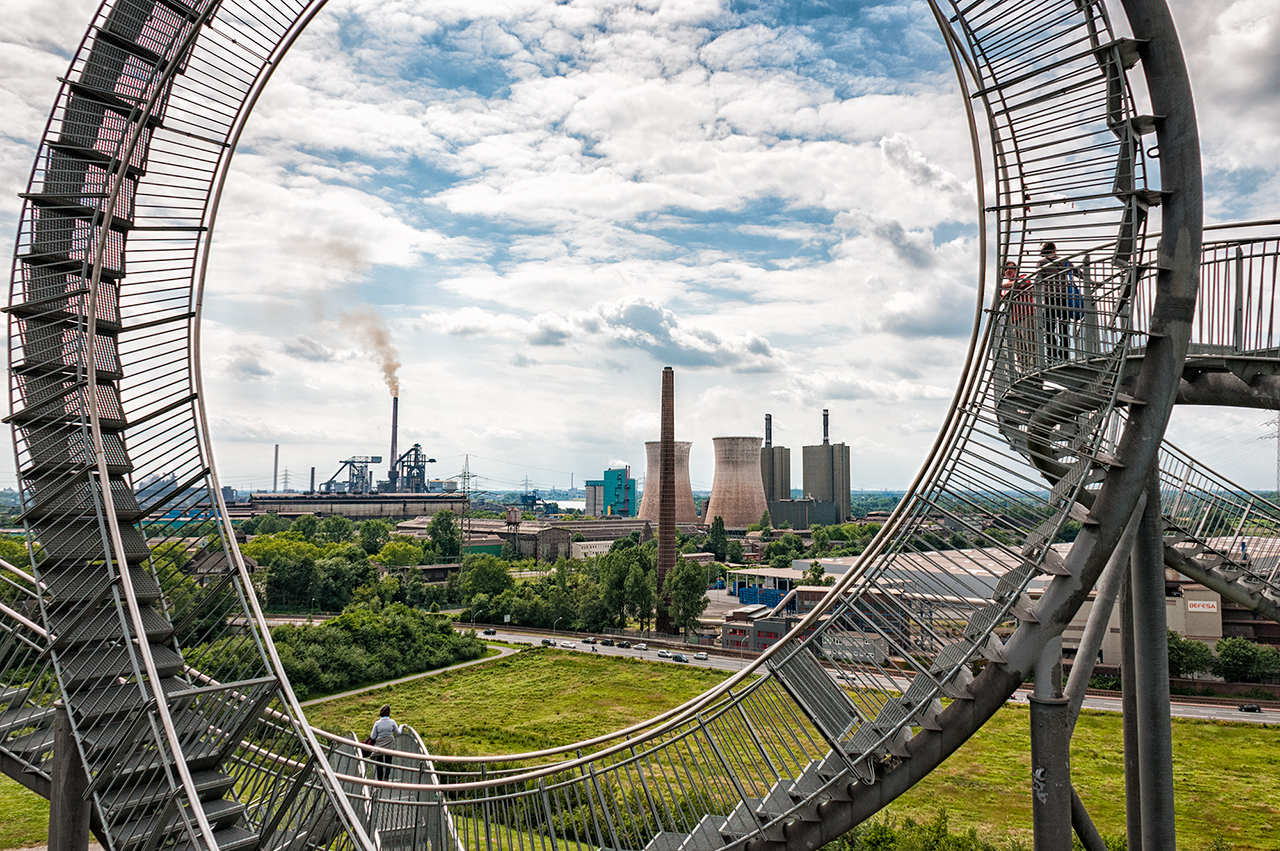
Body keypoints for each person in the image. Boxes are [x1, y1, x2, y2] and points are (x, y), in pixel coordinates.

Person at [1036, 242, 1077, 362]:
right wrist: (1092, 282)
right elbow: (1077, 272)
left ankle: (1052, 356)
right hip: (1063, 297)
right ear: (1054, 249)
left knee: (1049, 328)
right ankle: (1064, 354)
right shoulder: (1064, 260)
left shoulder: (1041, 262)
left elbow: (1038, 279)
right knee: (1064, 326)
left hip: (1049, 298)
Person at [1001, 260, 1035, 370]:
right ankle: (1024, 373)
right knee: (1020, 352)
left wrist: (1002, 286)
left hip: (1027, 316)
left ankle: (1033, 372)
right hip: (1014, 320)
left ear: (1017, 269)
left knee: (1031, 347)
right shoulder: (1005, 289)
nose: (1008, 270)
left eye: (1010, 268)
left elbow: (1020, 283)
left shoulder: (1024, 276)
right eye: (1005, 269)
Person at [369, 704, 400, 782]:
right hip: (389, 744)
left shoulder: (377, 723)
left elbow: (373, 736)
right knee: (388, 761)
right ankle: (386, 776)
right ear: (389, 712)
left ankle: (380, 779)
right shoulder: (392, 722)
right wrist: (401, 726)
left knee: (379, 763)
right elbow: (397, 733)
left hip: (379, 745)